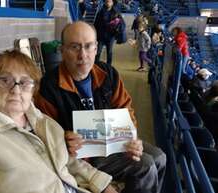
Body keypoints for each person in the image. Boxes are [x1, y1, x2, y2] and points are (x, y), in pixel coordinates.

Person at [0, 50, 117, 193]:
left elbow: (67, 163)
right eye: (5, 80)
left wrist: (101, 183)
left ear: (33, 89)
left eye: (25, 82)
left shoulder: (42, 121)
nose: (16, 90)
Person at [35, 21, 166, 193]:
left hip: (114, 144)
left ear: (96, 48)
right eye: (74, 47)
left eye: (88, 46)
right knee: (146, 166)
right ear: (62, 50)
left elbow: (126, 109)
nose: (83, 55)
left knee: (159, 157)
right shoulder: (49, 87)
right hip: (82, 156)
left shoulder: (108, 74)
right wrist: (64, 140)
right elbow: (45, 133)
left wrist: (132, 138)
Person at [94, 0, 120, 66]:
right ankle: (96, 65)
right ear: (105, 3)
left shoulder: (116, 13)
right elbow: (96, 24)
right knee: (98, 52)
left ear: (112, 3)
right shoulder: (100, 12)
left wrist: (116, 27)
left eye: (109, 1)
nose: (108, 3)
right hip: (101, 36)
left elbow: (120, 24)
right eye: (107, 1)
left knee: (109, 52)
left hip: (111, 36)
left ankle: (109, 66)